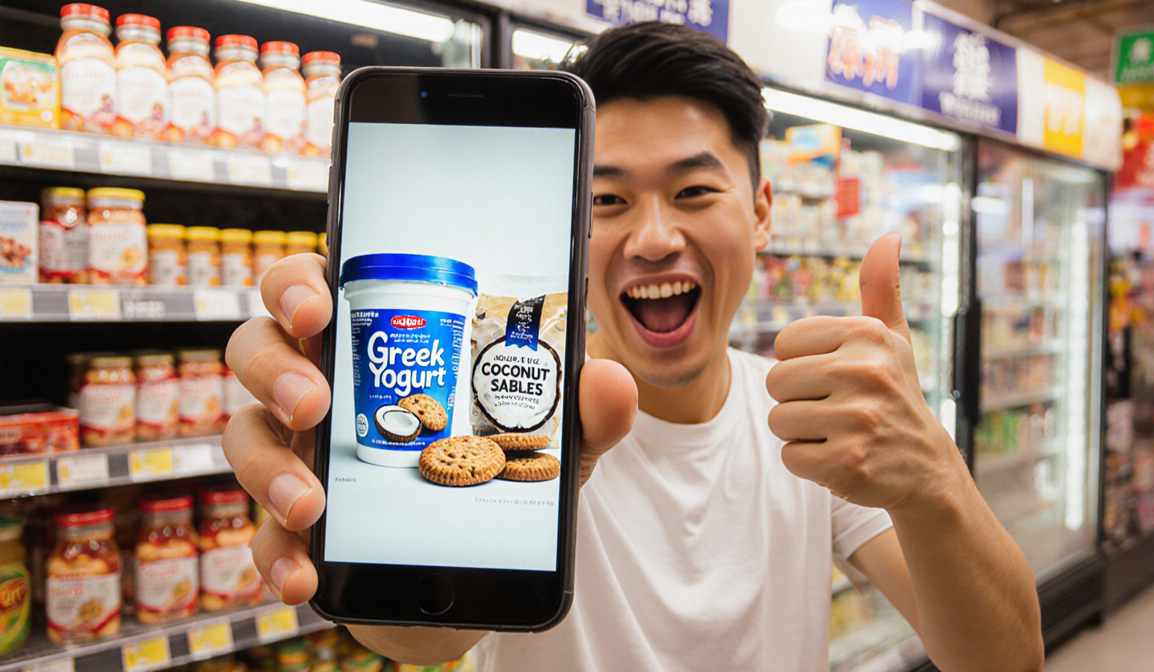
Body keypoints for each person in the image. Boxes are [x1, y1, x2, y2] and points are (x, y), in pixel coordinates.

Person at [223, 22, 1043, 672]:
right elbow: (418, 639)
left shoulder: (809, 420)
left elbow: (1005, 661)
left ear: (761, 212)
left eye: (693, 191)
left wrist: (931, 474)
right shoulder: (515, 421)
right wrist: (359, 495)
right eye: (607, 199)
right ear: (570, 233)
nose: (654, 239)